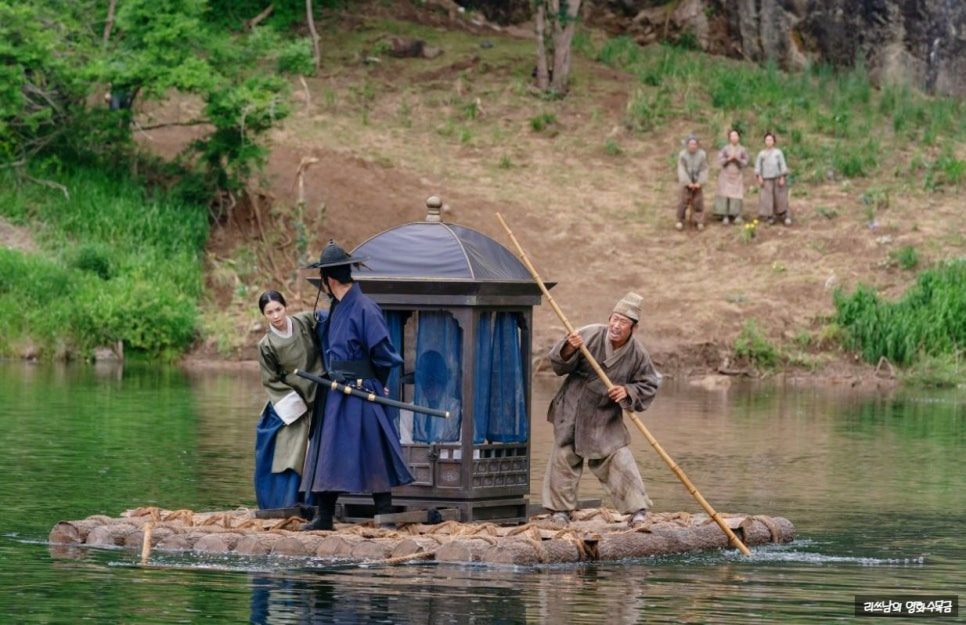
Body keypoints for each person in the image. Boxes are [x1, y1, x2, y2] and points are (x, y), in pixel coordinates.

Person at [300, 239, 414, 531]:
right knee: (328, 449)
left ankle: (385, 515)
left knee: (373, 448)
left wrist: (378, 383)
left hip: (362, 390)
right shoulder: (336, 307)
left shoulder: (365, 307)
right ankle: (324, 516)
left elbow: (384, 355)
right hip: (335, 390)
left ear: (329, 280)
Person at [542, 292, 662, 527]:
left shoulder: (637, 353)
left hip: (605, 415)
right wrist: (569, 347)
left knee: (619, 457)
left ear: (634, 328)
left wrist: (627, 391)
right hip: (574, 407)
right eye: (614, 319)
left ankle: (637, 511)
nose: (616, 326)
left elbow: (648, 384)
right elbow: (557, 364)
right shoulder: (589, 334)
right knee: (564, 456)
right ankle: (560, 512)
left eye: (623, 322)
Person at [255, 290, 326, 510]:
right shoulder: (266, 344)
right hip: (292, 400)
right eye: (269, 312)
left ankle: (319, 503)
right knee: (289, 452)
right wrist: (296, 405)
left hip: (321, 391)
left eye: (278, 309)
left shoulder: (305, 321)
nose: (276, 315)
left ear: (285, 307)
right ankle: (284, 503)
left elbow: (329, 324)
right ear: (264, 315)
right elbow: (270, 380)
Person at [754, 132, 791, 225]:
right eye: (767, 140)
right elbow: (758, 167)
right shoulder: (761, 154)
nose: (769, 142)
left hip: (777, 178)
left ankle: (785, 215)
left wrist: (782, 177)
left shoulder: (778, 152)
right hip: (766, 179)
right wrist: (759, 177)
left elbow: (782, 165)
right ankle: (770, 216)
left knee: (781, 197)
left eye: (771, 140)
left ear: (774, 141)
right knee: (767, 198)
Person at [713, 129, 750, 225]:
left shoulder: (742, 149)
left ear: (739, 137)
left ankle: (737, 215)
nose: (734, 138)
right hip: (726, 174)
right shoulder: (725, 148)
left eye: (736, 136)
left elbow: (746, 161)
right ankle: (725, 215)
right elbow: (720, 160)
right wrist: (728, 159)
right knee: (724, 193)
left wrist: (738, 159)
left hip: (737, 174)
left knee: (736, 194)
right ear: (729, 138)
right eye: (732, 136)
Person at [676, 134, 709, 231]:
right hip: (686, 182)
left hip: (697, 181)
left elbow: (704, 169)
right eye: (691, 144)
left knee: (698, 202)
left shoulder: (702, 155)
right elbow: (681, 169)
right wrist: (687, 182)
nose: (693, 146)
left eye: (695, 144)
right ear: (687, 145)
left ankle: (699, 221)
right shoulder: (682, 155)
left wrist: (700, 182)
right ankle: (680, 220)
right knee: (682, 202)